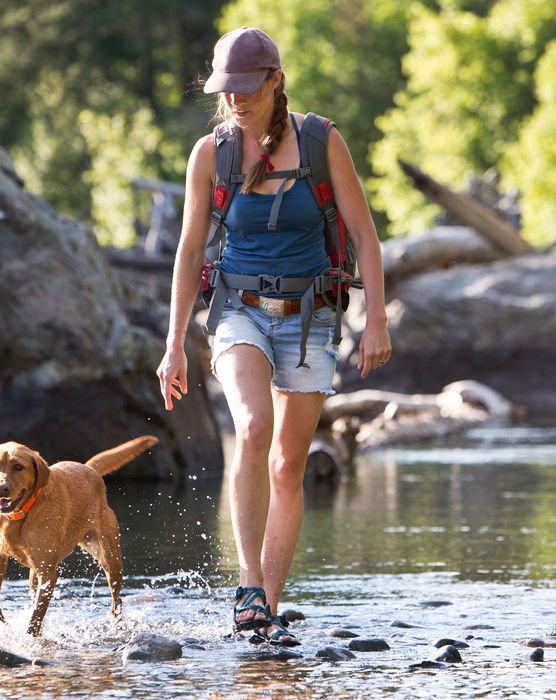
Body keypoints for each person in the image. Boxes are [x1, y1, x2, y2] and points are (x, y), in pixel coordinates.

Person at [157, 27, 392, 646]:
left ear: (274, 80)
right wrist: (174, 341)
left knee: (289, 466)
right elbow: (188, 251)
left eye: (244, 87)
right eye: (223, 89)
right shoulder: (211, 154)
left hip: (312, 317)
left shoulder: (321, 142)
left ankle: (264, 613)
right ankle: (248, 586)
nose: (232, 99)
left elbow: (364, 236)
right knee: (253, 426)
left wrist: (378, 322)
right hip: (237, 310)